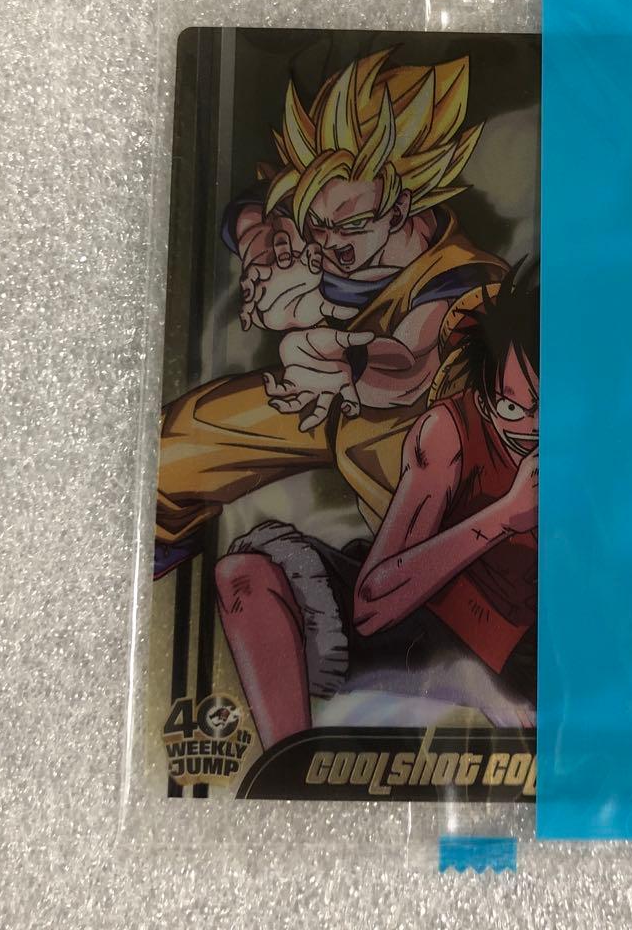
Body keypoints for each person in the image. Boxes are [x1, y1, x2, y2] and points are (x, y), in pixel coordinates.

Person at [155, 49, 507, 576]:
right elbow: (255, 208)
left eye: (348, 227)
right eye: (315, 224)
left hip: (410, 436)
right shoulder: (324, 202)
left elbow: (410, 362)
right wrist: (260, 241)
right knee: (181, 443)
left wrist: (347, 363)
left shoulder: (462, 277)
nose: (326, 241)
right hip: (320, 404)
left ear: (400, 209)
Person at [215, 268, 539, 750]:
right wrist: (503, 517)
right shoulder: (449, 432)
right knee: (243, 575)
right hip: (420, 612)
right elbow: (372, 603)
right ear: (486, 396)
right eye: (511, 408)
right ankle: (290, 764)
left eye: (546, 407)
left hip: (518, 650)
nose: (530, 427)